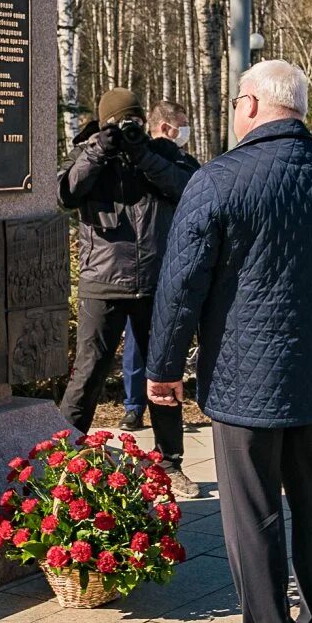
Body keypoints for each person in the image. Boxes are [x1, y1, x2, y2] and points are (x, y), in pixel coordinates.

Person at [147, 60, 312, 623]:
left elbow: (180, 284)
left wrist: (163, 368)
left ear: (250, 105)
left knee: (251, 511)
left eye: (232, 103)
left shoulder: (219, 180)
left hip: (244, 378)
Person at [58, 88, 199, 497]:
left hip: (156, 283)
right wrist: (100, 147)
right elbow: (66, 191)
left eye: (133, 122)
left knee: (163, 374)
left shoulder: (160, 155)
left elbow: (189, 188)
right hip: (103, 282)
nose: (127, 129)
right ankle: (63, 460)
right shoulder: (90, 153)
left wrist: (143, 154)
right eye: (121, 123)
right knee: (87, 373)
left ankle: (169, 465)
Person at [118, 100, 196, 430]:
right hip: (136, 263)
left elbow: (188, 187)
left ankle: (162, 418)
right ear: (165, 126)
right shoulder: (131, 160)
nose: (186, 132)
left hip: (170, 260)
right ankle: (134, 405)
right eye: (182, 124)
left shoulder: (179, 161)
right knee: (137, 342)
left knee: (161, 341)